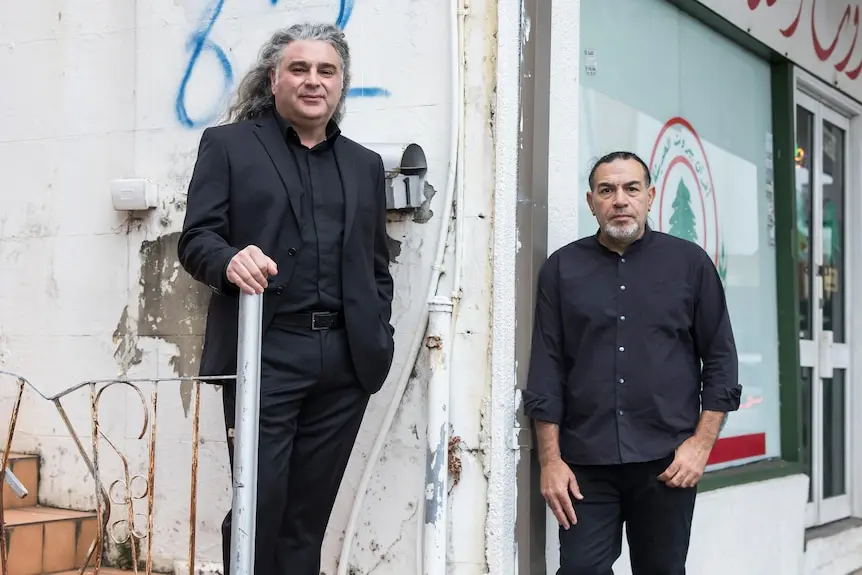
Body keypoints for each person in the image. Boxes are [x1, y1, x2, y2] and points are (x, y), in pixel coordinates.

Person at [177, 22, 395, 575]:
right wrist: (228, 260)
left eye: (327, 70)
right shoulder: (229, 145)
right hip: (266, 354)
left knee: (308, 518)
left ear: (342, 84)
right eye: (299, 68)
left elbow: (376, 266)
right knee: (258, 505)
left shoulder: (366, 165)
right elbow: (196, 238)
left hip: (346, 363)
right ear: (274, 79)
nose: (313, 81)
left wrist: (378, 334)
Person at [524, 150, 741, 575]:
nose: (619, 199)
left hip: (667, 463)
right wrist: (550, 461)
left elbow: (720, 361)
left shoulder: (690, 264)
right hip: (585, 464)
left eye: (630, 188)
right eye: (607, 190)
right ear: (591, 201)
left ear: (651, 196)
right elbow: (547, 369)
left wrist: (700, 446)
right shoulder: (562, 269)